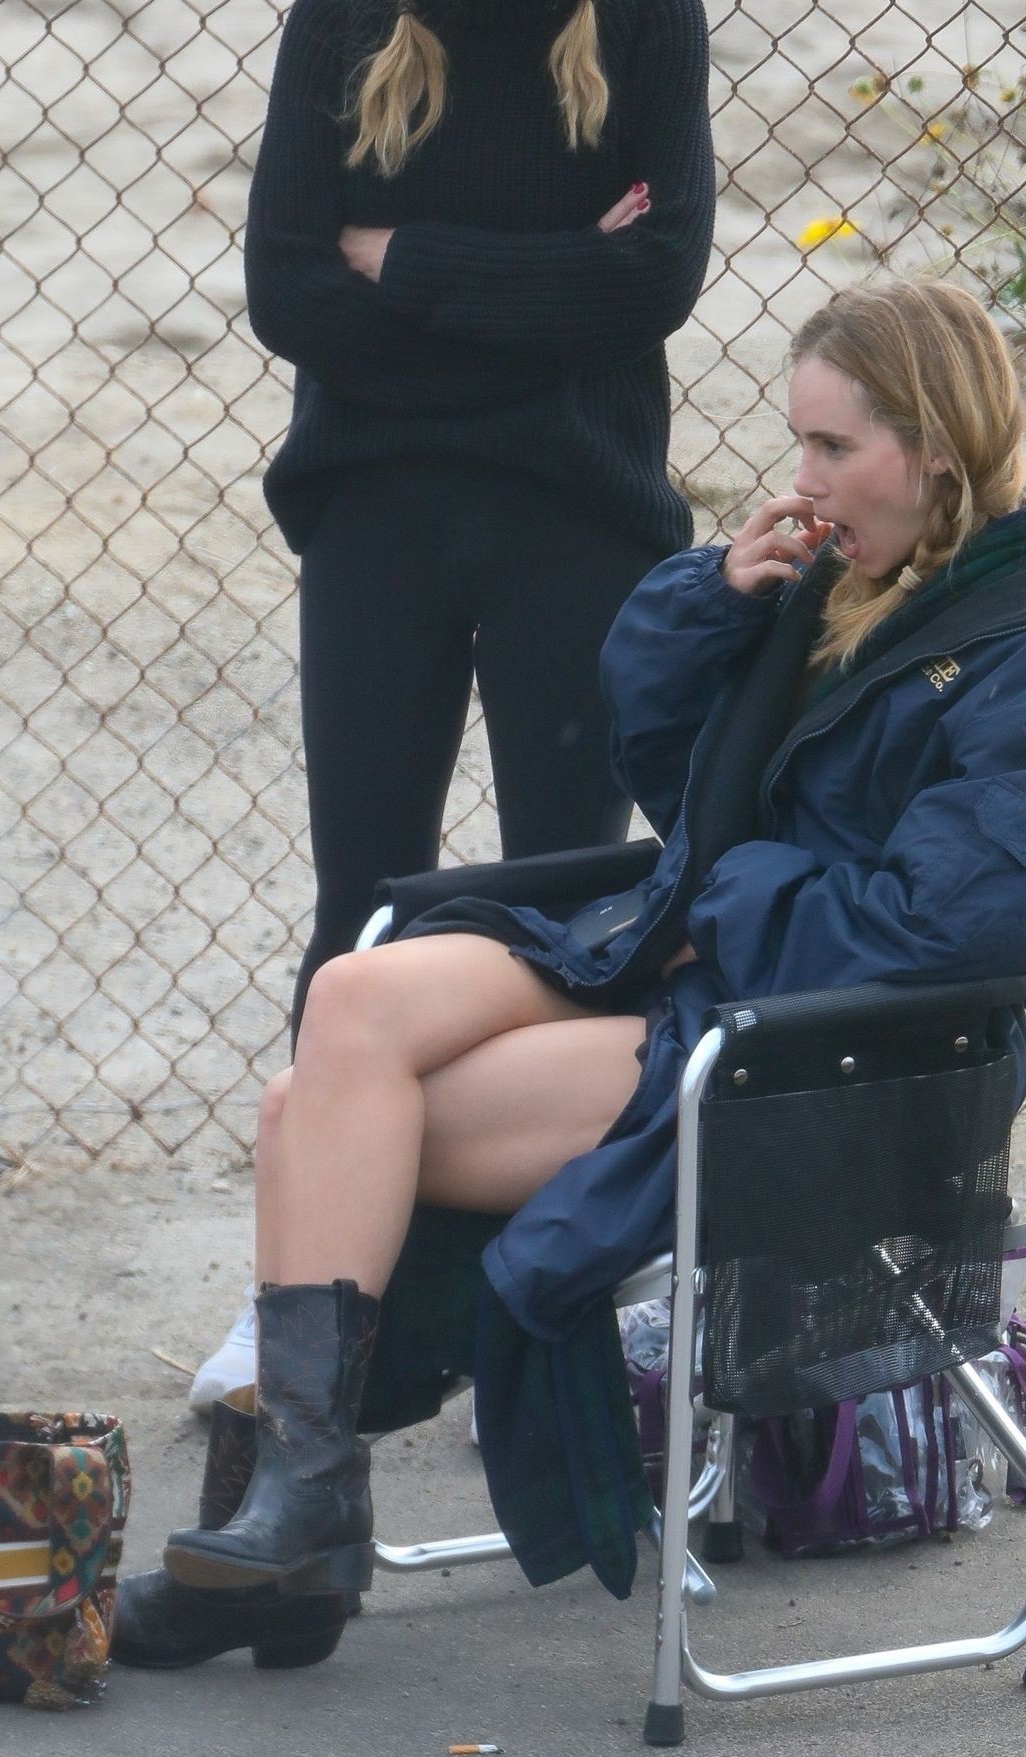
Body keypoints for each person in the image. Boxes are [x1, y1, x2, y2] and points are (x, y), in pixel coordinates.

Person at [114, 279, 1026, 1671]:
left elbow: (957, 927)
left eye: (833, 447)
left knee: (304, 1121)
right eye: (799, 441)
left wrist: (728, 903)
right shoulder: (855, 585)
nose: (803, 480)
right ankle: (300, 1513)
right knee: (353, 998)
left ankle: (298, 1527)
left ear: (935, 447)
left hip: (823, 1049)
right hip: (705, 956)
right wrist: (710, 606)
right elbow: (676, 779)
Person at [245, 0, 715, 1035]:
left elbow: (654, 277)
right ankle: (354, 1141)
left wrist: (404, 262)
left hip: (578, 515)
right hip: (375, 513)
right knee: (360, 917)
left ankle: (540, 1150)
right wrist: (553, 297)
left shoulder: (647, 16)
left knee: (567, 918)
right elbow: (285, 289)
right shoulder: (344, 15)